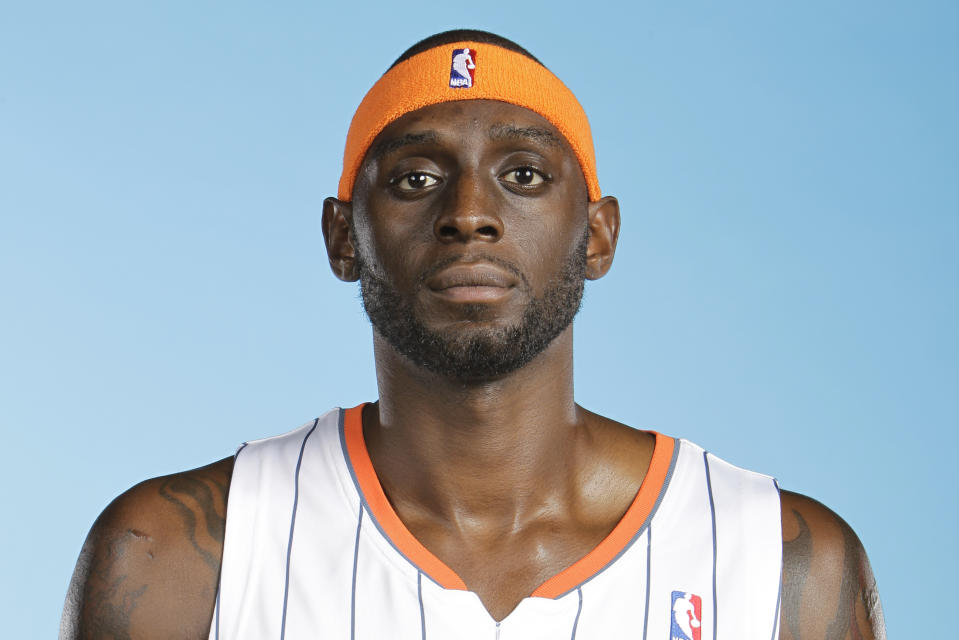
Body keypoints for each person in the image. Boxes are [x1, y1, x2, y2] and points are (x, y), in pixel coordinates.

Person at [60, 30, 886, 639]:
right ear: (344, 238)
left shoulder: (778, 562)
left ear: (596, 235)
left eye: (522, 176)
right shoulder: (179, 552)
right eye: (416, 178)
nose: (467, 215)